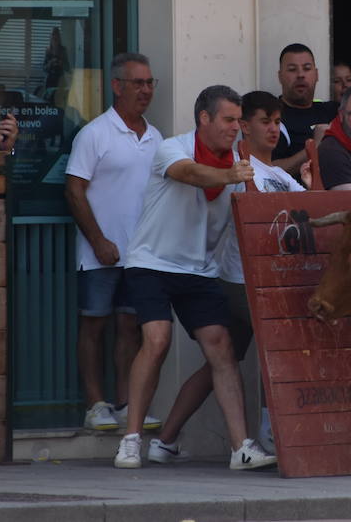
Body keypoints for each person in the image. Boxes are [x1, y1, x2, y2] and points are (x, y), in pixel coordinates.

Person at [114, 85, 275, 471]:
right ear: (204, 118)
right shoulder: (174, 147)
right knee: (157, 338)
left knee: (221, 346)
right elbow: (190, 174)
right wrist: (229, 173)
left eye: (239, 120)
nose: (236, 127)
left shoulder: (239, 165)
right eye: (229, 120)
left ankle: (242, 448)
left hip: (199, 269)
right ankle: (131, 440)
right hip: (151, 261)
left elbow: (262, 200)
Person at [147, 90, 308, 464]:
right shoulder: (234, 169)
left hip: (266, 282)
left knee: (221, 362)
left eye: (277, 121)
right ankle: (273, 437)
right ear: (244, 128)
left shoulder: (279, 174)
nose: (272, 128)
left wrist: (312, 182)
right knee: (279, 344)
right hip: (238, 280)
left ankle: (166, 439)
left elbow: (308, 213)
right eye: (262, 121)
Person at [63, 53, 163, 433]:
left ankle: (124, 403)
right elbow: (74, 191)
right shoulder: (95, 133)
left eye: (150, 82)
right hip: (100, 251)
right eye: (138, 83)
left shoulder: (156, 137)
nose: (146, 90)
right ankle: (94, 404)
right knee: (94, 325)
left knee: (129, 326)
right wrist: (98, 240)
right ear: (117, 86)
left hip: (140, 254)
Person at [271, 44, 339, 176]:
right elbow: (268, 170)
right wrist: (314, 148)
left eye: (307, 69)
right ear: (280, 76)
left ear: (317, 74)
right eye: (292, 69)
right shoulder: (271, 116)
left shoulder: (331, 109)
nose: (300, 75)